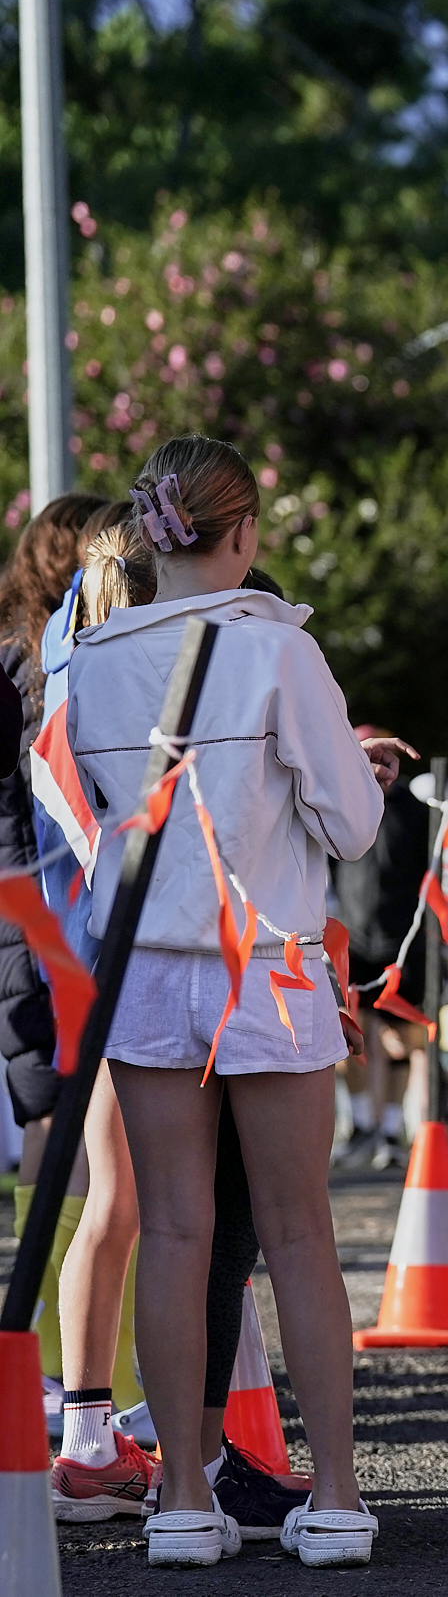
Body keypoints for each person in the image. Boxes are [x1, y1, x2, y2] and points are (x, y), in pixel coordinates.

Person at [71, 436, 398, 1567]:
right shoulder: (278, 653)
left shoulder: (88, 660)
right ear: (245, 532)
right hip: (268, 959)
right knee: (300, 1229)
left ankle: (179, 1504)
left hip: (148, 963)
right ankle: (340, 1501)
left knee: (170, 1225)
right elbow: (351, 823)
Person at [0, 493, 115, 1433]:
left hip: (34, 911)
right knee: (58, 1107)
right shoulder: (44, 664)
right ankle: (54, 1346)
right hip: (40, 912)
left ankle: (55, 1341)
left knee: (56, 1108)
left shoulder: (29, 656)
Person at [333, 735, 431, 1168]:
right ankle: (359, 1126)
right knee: (341, 1036)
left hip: (401, 939)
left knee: (400, 1039)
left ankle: (390, 1130)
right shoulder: (335, 802)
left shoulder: (414, 810)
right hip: (350, 938)